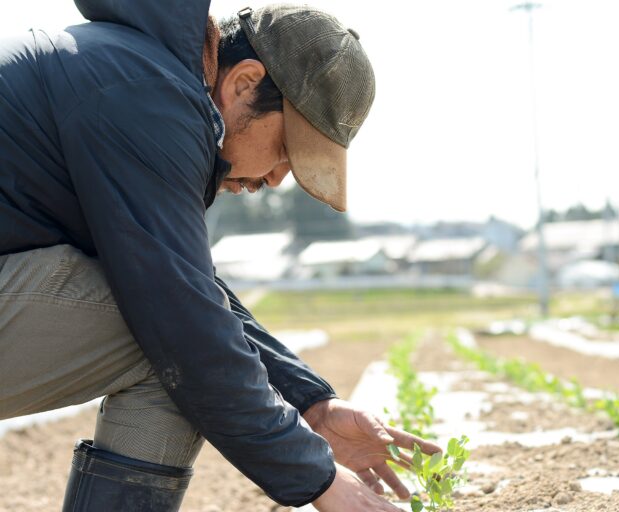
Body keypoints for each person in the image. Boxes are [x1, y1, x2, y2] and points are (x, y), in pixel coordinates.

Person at [0, 1, 439, 510]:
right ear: (244, 83)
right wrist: (321, 480)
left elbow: (186, 286)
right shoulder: (146, 97)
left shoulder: (133, 72)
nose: (276, 180)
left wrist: (311, 405)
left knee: (177, 332)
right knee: (172, 349)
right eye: (286, 149)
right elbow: (183, 319)